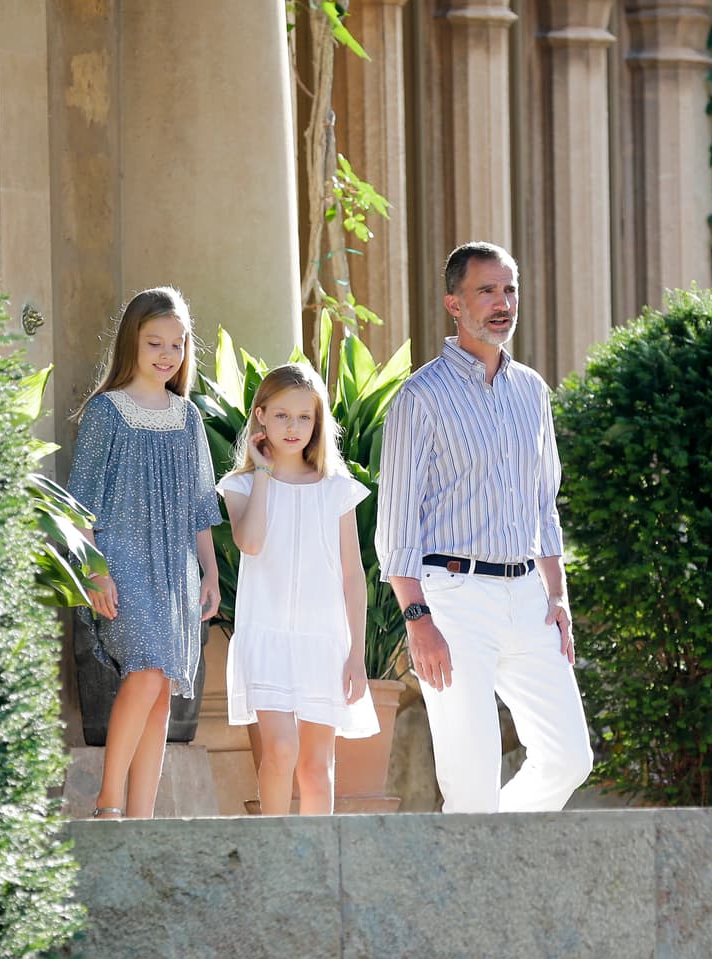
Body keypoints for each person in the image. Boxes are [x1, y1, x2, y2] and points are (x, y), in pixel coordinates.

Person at [375, 241, 593, 813]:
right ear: (454, 303)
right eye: (486, 290)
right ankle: (476, 866)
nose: (503, 303)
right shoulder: (420, 398)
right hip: (452, 599)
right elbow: (395, 523)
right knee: (470, 782)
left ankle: (494, 846)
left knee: (570, 758)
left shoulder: (533, 393)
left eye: (509, 289)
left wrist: (558, 596)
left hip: (528, 597)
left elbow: (543, 504)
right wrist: (417, 619)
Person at [67, 287, 222, 819]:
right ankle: (108, 800)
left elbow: (201, 507)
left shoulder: (189, 420)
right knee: (150, 670)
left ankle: (142, 816)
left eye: (177, 345)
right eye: (155, 342)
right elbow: (80, 504)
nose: (166, 354)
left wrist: (211, 573)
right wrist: (94, 572)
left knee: (162, 691)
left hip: (175, 566)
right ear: (131, 342)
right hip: (121, 560)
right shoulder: (106, 412)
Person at [217, 363, 379, 815]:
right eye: (282, 415)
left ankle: (317, 869)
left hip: (323, 643)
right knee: (281, 750)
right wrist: (266, 472)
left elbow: (352, 575)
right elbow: (250, 543)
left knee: (315, 765)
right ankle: (276, 856)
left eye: (304, 417)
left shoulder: (336, 489)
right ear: (260, 416)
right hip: (266, 637)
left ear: (318, 423)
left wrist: (356, 654)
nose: (293, 427)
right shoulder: (242, 485)